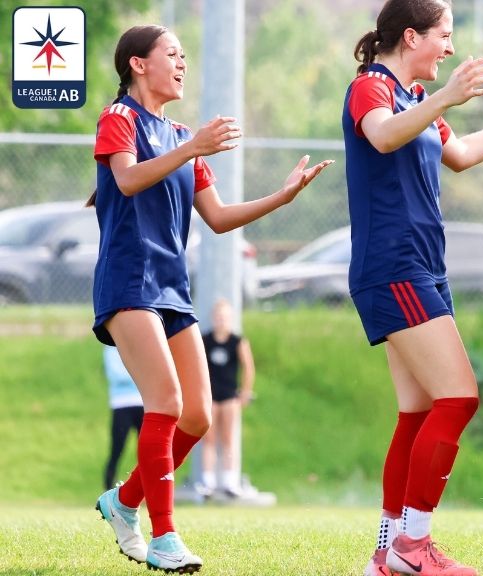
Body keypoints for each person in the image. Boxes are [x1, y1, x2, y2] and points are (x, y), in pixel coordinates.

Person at [91, 24, 332, 573]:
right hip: (129, 283)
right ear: (137, 64)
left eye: (183, 56)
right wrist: (193, 147)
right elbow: (127, 181)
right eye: (171, 55)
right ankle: (164, 536)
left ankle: (124, 502)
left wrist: (284, 196)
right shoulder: (119, 119)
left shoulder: (180, 133)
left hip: (172, 289)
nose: (182, 64)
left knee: (197, 416)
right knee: (167, 404)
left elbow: (220, 218)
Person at [342, 2, 483, 575]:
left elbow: (459, 155)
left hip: (421, 268)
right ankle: (414, 545)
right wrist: (445, 98)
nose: (451, 48)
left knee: (417, 413)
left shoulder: (413, 100)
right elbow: (381, 138)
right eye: (444, 35)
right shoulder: (373, 88)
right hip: (395, 268)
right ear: (411, 37)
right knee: (459, 399)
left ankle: (386, 552)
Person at [200, 298, 255, 497]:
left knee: (228, 438)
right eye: (218, 317)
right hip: (211, 397)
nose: (221, 321)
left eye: (225, 317)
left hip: (230, 396)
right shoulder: (205, 340)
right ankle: (208, 482)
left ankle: (230, 481)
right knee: (209, 439)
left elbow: (248, 367)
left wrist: (245, 392)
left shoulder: (237, 341)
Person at [103, 345, 144, 491]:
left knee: (146, 453)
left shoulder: (138, 347)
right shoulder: (111, 349)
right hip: (121, 405)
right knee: (116, 451)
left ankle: (145, 492)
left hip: (142, 403)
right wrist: (139, 373)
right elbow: (116, 376)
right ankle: (107, 492)